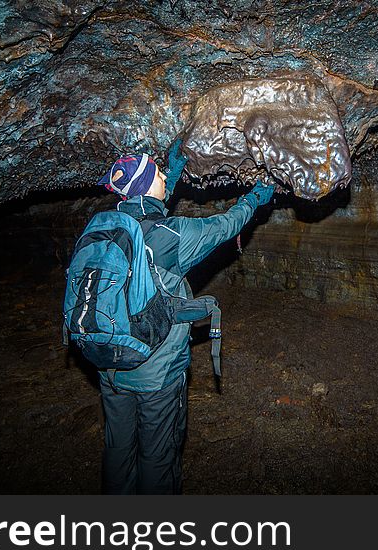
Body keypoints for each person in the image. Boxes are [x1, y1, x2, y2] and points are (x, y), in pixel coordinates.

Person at [95, 141, 275, 494]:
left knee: (117, 453)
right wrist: (256, 197)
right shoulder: (172, 237)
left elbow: (148, 214)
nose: (164, 174)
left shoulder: (103, 231)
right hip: (156, 372)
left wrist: (173, 172)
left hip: (108, 363)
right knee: (158, 457)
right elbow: (223, 226)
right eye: (159, 173)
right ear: (147, 186)